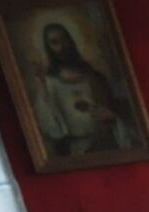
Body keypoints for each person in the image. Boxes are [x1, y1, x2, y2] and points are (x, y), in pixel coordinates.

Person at [28, 19, 139, 161]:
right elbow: (50, 125)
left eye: (64, 39)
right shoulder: (49, 83)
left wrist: (112, 117)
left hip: (108, 144)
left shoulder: (95, 77)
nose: (62, 46)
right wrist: (42, 86)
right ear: (49, 48)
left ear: (71, 40)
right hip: (77, 151)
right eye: (55, 42)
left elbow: (119, 113)